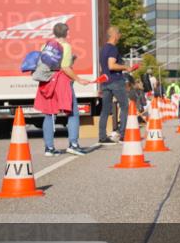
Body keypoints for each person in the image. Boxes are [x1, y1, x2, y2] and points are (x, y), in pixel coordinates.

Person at [33, 22, 93, 156]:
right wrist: (79, 79)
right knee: (73, 113)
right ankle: (73, 144)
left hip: (47, 81)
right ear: (67, 33)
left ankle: (49, 148)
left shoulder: (46, 45)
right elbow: (65, 68)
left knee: (49, 114)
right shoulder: (66, 46)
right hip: (61, 81)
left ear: (54, 33)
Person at [98, 27, 130, 144]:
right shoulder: (112, 49)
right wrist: (125, 67)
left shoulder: (103, 49)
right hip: (116, 81)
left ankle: (102, 137)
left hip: (105, 82)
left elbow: (102, 68)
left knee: (105, 110)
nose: (120, 37)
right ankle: (123, 134)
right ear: (115, 35)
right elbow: (111, 65)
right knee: (125, 106)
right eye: (119, 34)